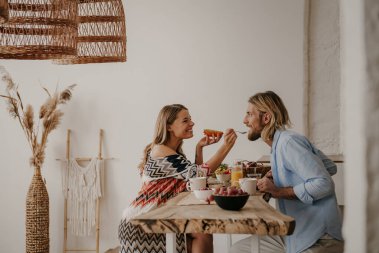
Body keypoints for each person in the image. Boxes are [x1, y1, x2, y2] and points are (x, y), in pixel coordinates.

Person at [230, 91, 343, 253]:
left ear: (266, 118)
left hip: (319, 238)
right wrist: (281, 176)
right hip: (296, 233)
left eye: (249, 114)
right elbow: (330, 167)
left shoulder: (288, 143)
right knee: (238, 250)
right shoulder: (281, 142)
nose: (244, 120)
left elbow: (324, 184)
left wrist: (278, 190)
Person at [119, 104, 237, 253]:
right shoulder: (160, 150)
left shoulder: (171, 153)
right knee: (202, 234)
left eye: (191, 119)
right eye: (185, 120)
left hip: (157, 219)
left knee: (202, 233)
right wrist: (225, 147)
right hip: (141, 224)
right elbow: (197, 174)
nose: (192, 123)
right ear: (169, 127)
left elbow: (195, 181)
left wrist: (199, 148)